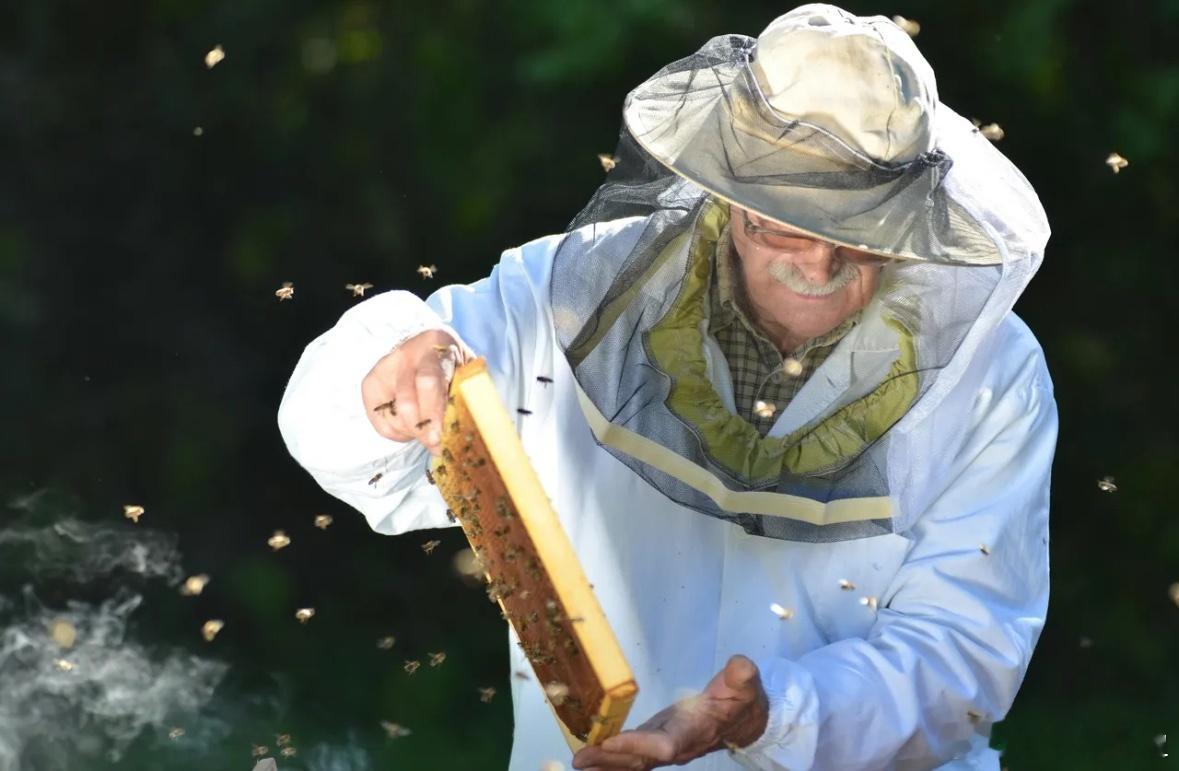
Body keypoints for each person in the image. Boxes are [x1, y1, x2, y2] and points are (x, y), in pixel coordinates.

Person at [278, 5, 1056, 770]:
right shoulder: (568, 298)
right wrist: (384, 376)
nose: (819, 263)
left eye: (860, 229)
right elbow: (347, 439)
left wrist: (771, 715)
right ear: (731, 189)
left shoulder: (991, 370)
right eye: (788, 221)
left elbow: (961, 653)